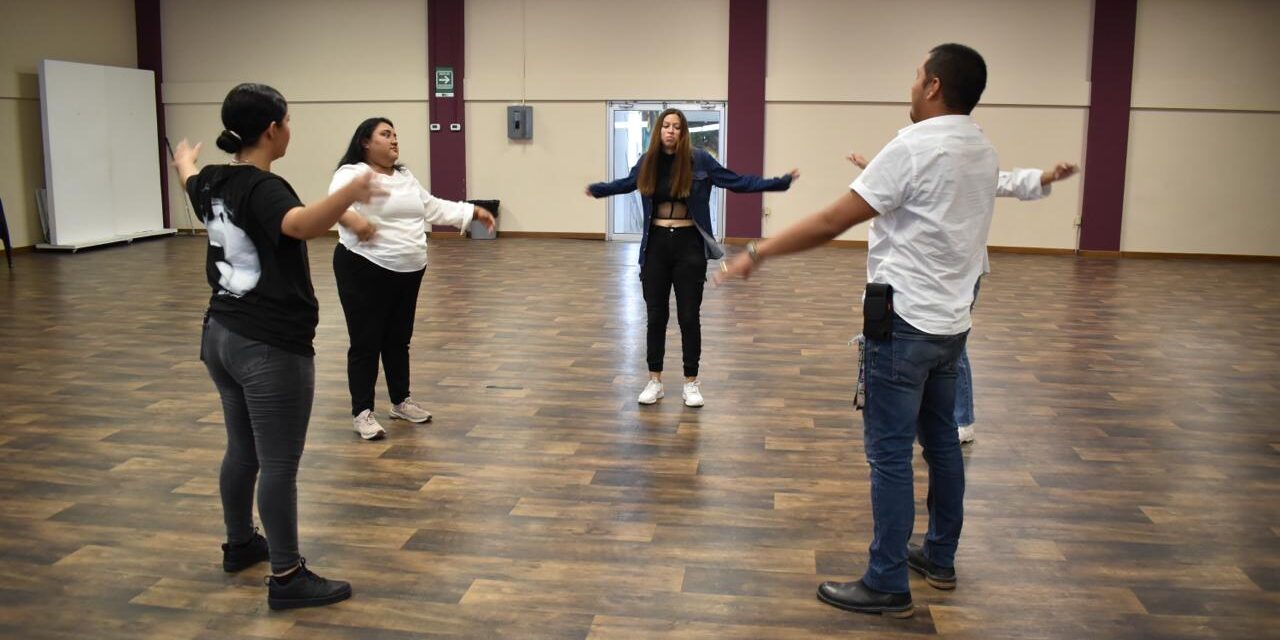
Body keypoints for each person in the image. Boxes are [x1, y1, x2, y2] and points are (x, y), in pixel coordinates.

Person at [719, 44, 996, 618]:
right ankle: (939, 557)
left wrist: (758, 253)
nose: (911, 85)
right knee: (942, 442)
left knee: (890, 453)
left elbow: (830, 221)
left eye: (917, 75)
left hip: (904, 325)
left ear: (934, 86)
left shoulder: (913, 146)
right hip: (952, 326)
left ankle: (887, 580)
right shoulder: (982, 149)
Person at [172, 83, 384, 611]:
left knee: (243, 449)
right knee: (279, 463)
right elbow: (300, 225)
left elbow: (189, 178)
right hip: (267, 344)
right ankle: (287, 576)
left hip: (220, 335)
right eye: (287, 121)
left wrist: (183, 160)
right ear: (272, 129)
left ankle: (240, 543)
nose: (290, 130)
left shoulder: (212, 179)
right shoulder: (264, 187)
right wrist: (350, 194)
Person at [848, 153, 1079, 443]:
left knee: (951, 344)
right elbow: (904, 178)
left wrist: (1048, 175)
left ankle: (962, 419)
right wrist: (870, 166)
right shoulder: (925, 171)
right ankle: (937, 416)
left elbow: (1006, 182)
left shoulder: (966, 173)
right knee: (934, 344)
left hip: (959, 273)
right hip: (930, 274)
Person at [586, 108, 799, 407]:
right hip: (656, 245)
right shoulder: (648, 162)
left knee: (689, 316)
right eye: (666, 126)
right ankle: (654, 380)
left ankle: (691, 382)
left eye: (676, 126)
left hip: (689, 246)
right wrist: (598, 190)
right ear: (659, 130)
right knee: (656, 316)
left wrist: (778, 183)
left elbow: (737, 182)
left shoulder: (700, 161)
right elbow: (625, 184)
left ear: (683, 132)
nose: (670, 131)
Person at [329, 117, 495, 440]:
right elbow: (337, 205)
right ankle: (362, 411)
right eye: (385, 134)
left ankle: (400, 401)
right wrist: (354, 221)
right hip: (364, 266)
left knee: (398, 339)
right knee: (366, 341)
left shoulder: (404, 176)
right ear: (365, 142)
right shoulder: (351, 173)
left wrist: (472, 211)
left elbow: (431, 207)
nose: (394, 140)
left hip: (408, 269)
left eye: (395, 134)